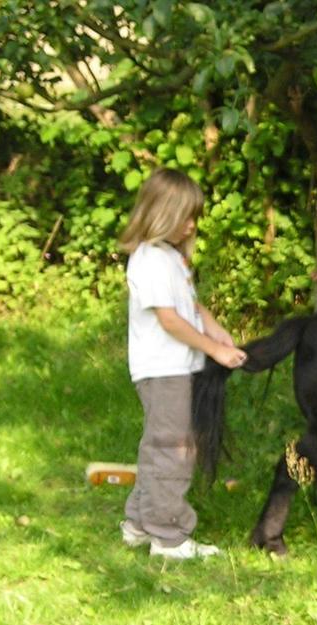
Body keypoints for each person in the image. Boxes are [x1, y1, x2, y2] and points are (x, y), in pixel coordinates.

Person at [117, 168, 247, 559]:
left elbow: (190, 307)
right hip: (163, 370)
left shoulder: (169, 258)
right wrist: (213, 349)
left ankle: (139, 523)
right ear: (161, 214)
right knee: (174, 448)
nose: (193, 225)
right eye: (186, 217)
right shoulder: (149, 260)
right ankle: (168, 537)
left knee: (161, 445)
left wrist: (216, 330)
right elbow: (169, 319)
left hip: (175, 367)